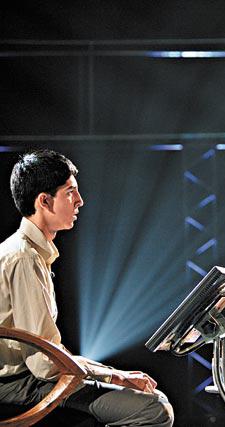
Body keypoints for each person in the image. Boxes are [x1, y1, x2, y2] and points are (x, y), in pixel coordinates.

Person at [0, 150, 174, 426]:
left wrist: (113, 375)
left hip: (28, 379)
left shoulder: (27, 253)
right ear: (44, 201)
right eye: (70, 192)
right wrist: (115, 376)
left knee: (152, 400)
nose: (80, 201)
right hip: (17, 385)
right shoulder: (23, 258)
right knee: (154, 408)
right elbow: (44, 363)